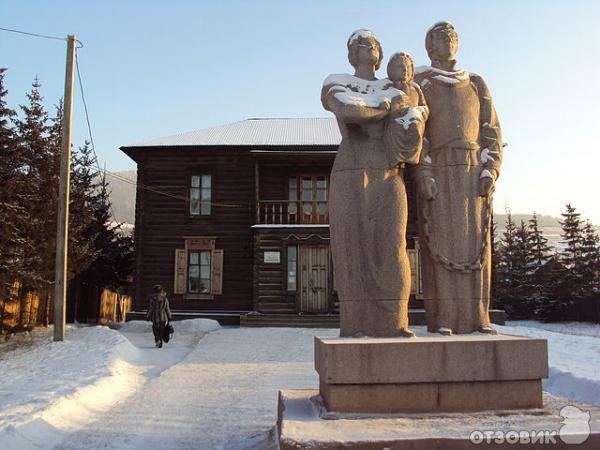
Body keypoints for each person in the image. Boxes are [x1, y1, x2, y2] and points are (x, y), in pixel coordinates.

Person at [321, 30, 426, 337]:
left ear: (380, 54)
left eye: (373, 44)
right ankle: (355, 325)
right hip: (350, 170)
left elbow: (410, 128)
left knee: (392, 247)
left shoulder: (397, 86)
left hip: (387, 170)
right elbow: (350, 110)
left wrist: (412, 116)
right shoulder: (336, 82)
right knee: (351, 249)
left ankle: (394, 322)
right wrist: (388, 102)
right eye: (360, 43)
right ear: (351, 53)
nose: (368, 47)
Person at [413, 21, 503, 335]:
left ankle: (478, 316)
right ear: (429, 46)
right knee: (442, 242)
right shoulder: (421, 82)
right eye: (439, 37)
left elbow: (491, 130)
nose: (446, 41)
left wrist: (490, 168)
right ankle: (445, 317)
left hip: (472, 168)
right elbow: (417, 131)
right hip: (439, 168)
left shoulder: (476, 82)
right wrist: (423, 170)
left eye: (451, 36)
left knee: (475, 246)